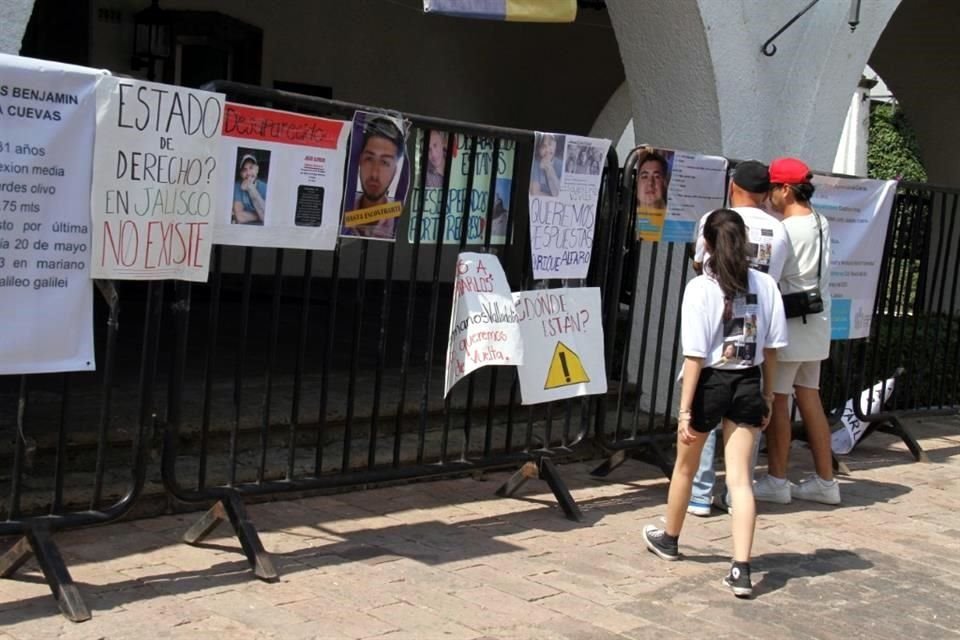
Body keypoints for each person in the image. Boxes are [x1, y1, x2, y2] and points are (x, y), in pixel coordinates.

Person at [643, 208, 787, 598]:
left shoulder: (701, 288)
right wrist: (769, 395)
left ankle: (670, 537)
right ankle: (741, 568)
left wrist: (684, 410)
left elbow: (693, 356)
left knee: (685, 469)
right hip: (748, 381)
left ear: (705, 243)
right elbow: (772, 349)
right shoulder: (765, 284)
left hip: (710, 381)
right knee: (740, 479)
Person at [687, 160, 791, 517]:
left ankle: (699, 493)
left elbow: (702, 265)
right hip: (756, 329)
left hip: (717, 320)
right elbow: (778, 274)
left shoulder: (714, 219)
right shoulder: (779, 230)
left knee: (702, 405)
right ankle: (737, 490)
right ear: (766, 193)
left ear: (733, 186)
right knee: (747, 418)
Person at [753, 157, 841, 505]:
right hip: (816, 321)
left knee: (777, 399)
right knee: (810, 397)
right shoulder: (820, 221)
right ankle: (825, 480)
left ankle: (777, 480)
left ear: (786, 189)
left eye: (773, 187)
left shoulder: (787, 230)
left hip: (790, 324)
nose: (770, 194)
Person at [346, 116, 405, 239]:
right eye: (369, 159)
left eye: (384, 163)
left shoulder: (399, 219)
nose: (374, 174)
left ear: (395, 171)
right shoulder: (342, 207)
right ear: (360, 162)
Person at [232, 153, 267, 225]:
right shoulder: (237, 186)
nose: (248, 173)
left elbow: (267, 218)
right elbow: (239, 217)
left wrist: (251, 189)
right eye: (244, 170)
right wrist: (260, 215)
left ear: (257, 169)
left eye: (251, 168)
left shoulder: (265, 187)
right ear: (241, 174)